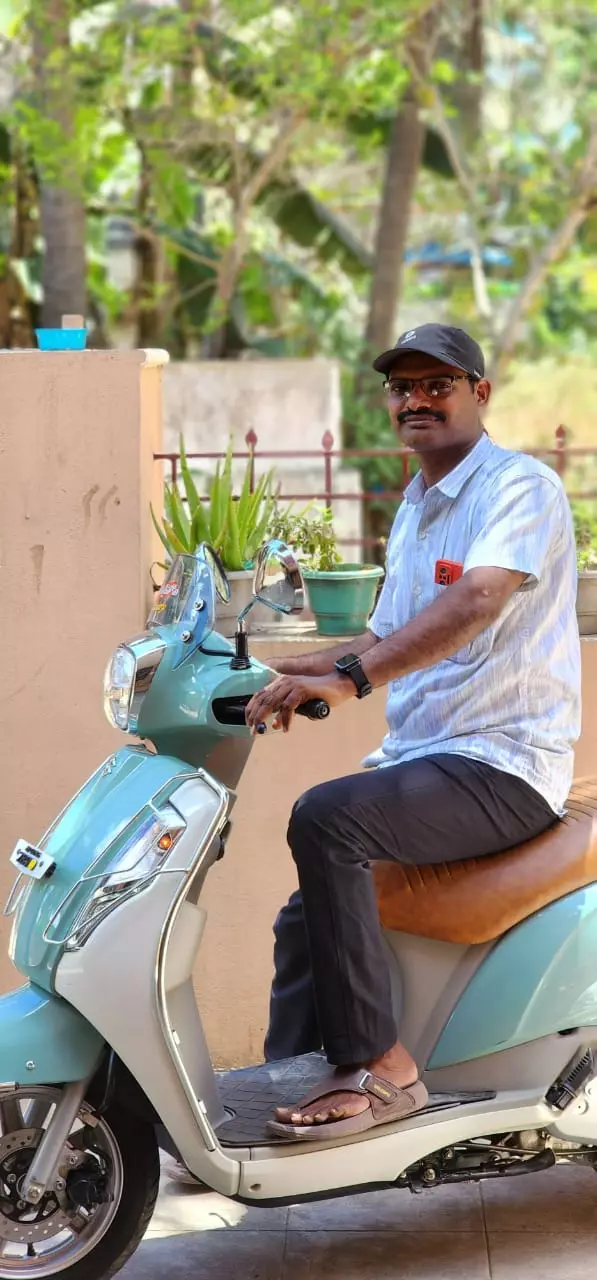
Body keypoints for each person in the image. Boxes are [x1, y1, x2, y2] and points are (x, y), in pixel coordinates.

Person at [244, 322, 581, 1141]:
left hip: (503, 763)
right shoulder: (417, 505)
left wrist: (351, 680)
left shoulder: (518, 488)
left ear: (478, 393)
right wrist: (268, 673)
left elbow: (471, 603)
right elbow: (379, 631)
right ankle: (281, 1088)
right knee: (302, 915)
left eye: (438, 384)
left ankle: (385, 1070)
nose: (416, 400)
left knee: (327, 818)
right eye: (402, 388)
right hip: (430, 759)